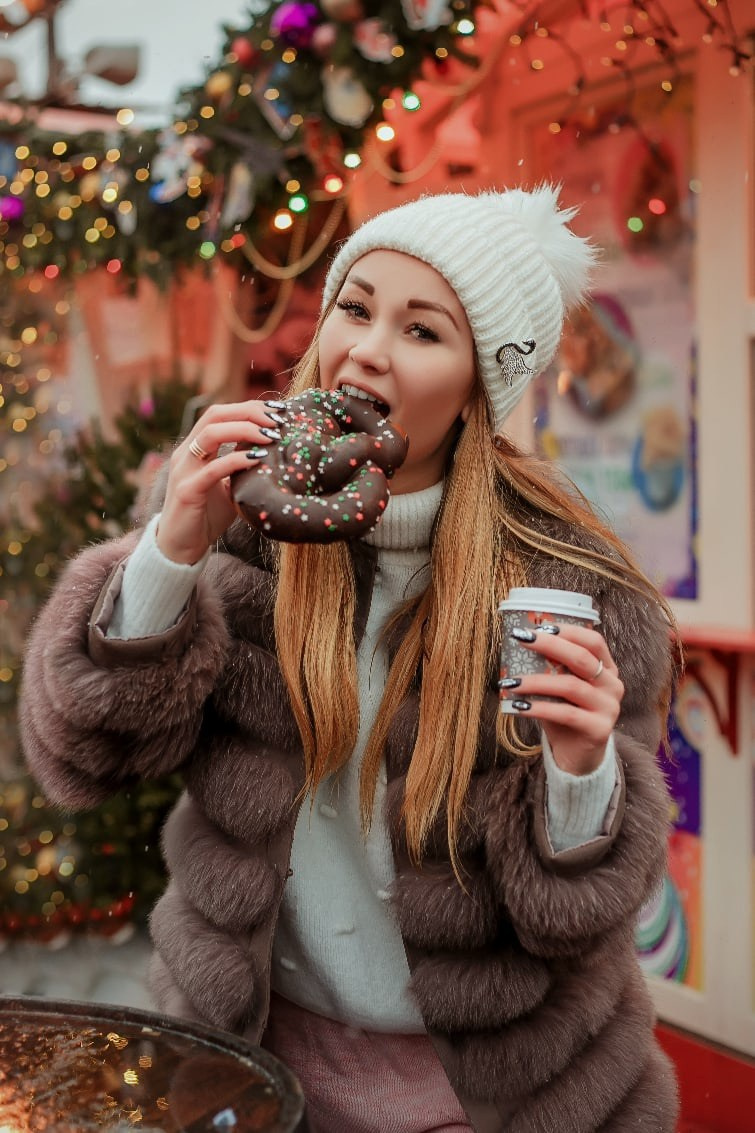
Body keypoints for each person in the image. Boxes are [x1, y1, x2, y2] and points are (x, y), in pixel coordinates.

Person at [20, 185, 679, 1132]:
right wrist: (166, 556)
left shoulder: (569, 585)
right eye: (356, 306)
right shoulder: (240, 531)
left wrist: (581, 777)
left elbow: (573, 922)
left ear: (478, 385)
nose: (367, 348)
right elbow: (85, 761)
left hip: (502, 1092)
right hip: (249, 1064)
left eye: (422, 331)